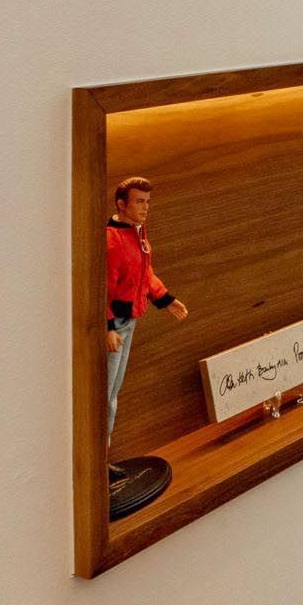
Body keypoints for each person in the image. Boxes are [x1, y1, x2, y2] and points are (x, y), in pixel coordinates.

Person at [106, 178, 189, 446]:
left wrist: (165, 299)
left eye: (147, 202)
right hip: (115, 325)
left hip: (129, 320)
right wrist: (107, 327)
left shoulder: (138, 233)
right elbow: (102, 287)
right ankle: (100, 457)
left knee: (113, 391)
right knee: (105, 395)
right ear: (122, 204)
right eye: (139, 201)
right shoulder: (112, 240)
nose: (145, 207)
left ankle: (103, 456)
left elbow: (145, 274)